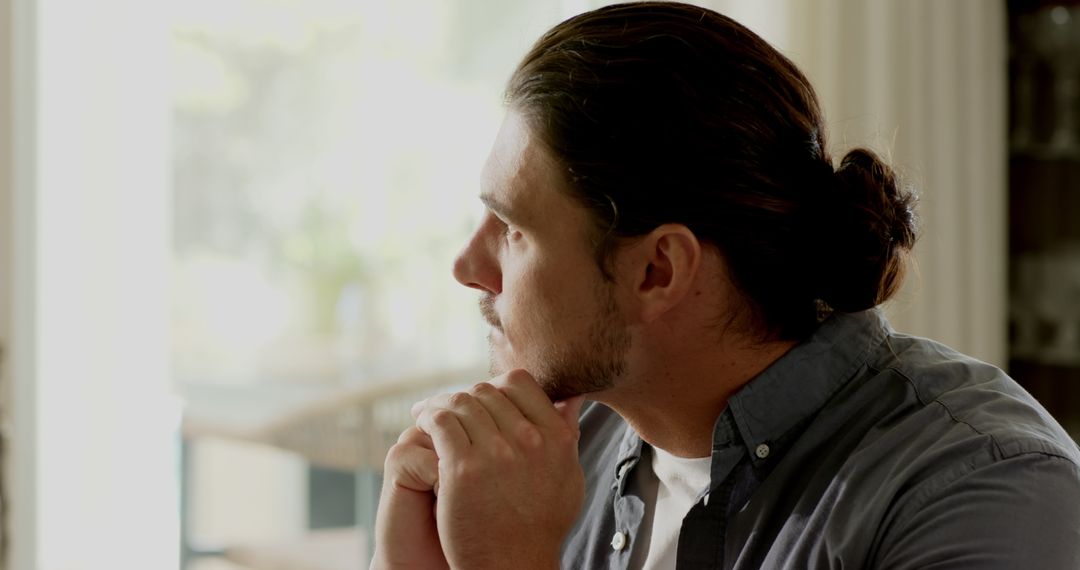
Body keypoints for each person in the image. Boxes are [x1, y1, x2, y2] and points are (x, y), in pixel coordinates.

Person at [371, 2, 1080, 568]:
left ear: (658, 271)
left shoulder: (984, 491)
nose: (468, 265)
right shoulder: (549, 454)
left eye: (513, 229)